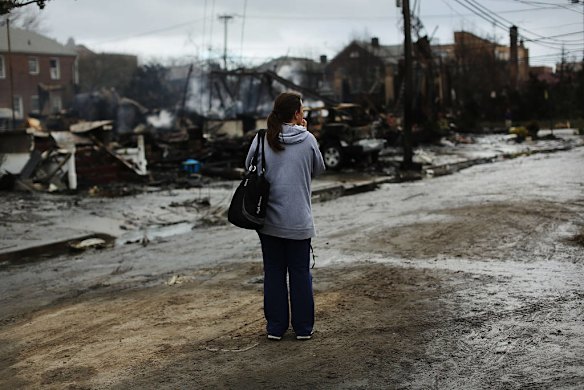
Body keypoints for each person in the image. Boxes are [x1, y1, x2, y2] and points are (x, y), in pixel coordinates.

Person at [245, 92, 326, 341]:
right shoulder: (308, 139)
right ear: (296, 114)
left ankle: (276, 328)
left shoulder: (261, 139)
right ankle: (303, 328)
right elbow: (319, 169)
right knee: (300, 274)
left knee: (274, 272)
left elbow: (247, 167)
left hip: (268, 221)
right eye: (302, 110)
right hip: (299, 221)